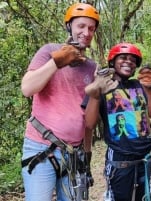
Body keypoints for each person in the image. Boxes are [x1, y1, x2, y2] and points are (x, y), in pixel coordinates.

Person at [20, 3, 99, 201]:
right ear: (69, 26)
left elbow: (87, 122)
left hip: (75, 153)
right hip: (41, 148)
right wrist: (57, 62)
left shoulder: (92, 68)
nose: (86, 32)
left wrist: (87, 157)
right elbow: (27, 88)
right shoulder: (49, 52)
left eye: (91, 28)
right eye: (81, 26)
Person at [82, 42, 151, 201]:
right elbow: (89, 123)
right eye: (123, 58)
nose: (128, 62)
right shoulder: (103, 86)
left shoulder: (139, 85)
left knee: (149, 197)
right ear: (112, 61)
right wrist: (96, 94)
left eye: (133, 60)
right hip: (120, 162)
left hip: (147, 158)